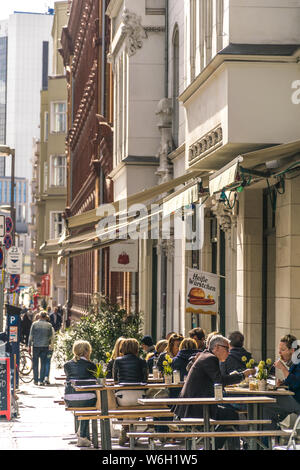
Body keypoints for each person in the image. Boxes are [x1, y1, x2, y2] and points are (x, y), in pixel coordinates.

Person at [173, 334, 255, 450]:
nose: (228, 352)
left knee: (230, 414)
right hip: (196, 408)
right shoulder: (210, 358)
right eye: (226, 349)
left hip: (195, 405)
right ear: (216, 347)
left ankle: (217, 446)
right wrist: (242, 375)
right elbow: (219, 380)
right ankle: (213, 447)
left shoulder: (206, 356)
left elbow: (216, 380)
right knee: (231, 416)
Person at [113, 338, 148, 446]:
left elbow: (115, 380)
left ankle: (125, 429)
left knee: (125, 404)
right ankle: (130, 432)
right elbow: (145, 380)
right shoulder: (142, 361)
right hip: (139, 396)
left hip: (123, 396)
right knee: (135, 405)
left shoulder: (117, 361)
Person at [262, 334, 300, 431]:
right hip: (294, 399)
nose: (279, 353)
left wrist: (283, 368)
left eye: (282, 350)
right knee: (267, 410)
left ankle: (270, 438)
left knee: (266, 405)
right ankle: (272, 435)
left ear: (292, 350)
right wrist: (283, 383)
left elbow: (296, 383)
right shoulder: (295, 361)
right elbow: (293, 380)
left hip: (297, 401)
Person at [64, 340, 97, 447]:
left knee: (83, 403)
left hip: (70, 398)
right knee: (89, 402)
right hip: (87, 399)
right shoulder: (92, 365)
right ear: (87, 352)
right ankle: (83, 436)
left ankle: (82, 434)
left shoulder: (67, 365)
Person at [28, 310, 54, 386]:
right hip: (45, 346)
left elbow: (31, 336)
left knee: (35, 364)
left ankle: (36, 380)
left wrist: (29, 346)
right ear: (46, 317)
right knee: (43, 363)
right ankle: (41, 380)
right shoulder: (49, 325)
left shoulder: (34, 324)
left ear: (39, 316)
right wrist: (49, 343)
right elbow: (50, 336)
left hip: (36, 346)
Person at [44, 314, 55, 385]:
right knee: (47, 362)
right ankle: (46, 378)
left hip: (42, 347)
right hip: (50, 348)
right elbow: (53, 338)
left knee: (42, 362)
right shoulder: (51, 328)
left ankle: (42, 377)